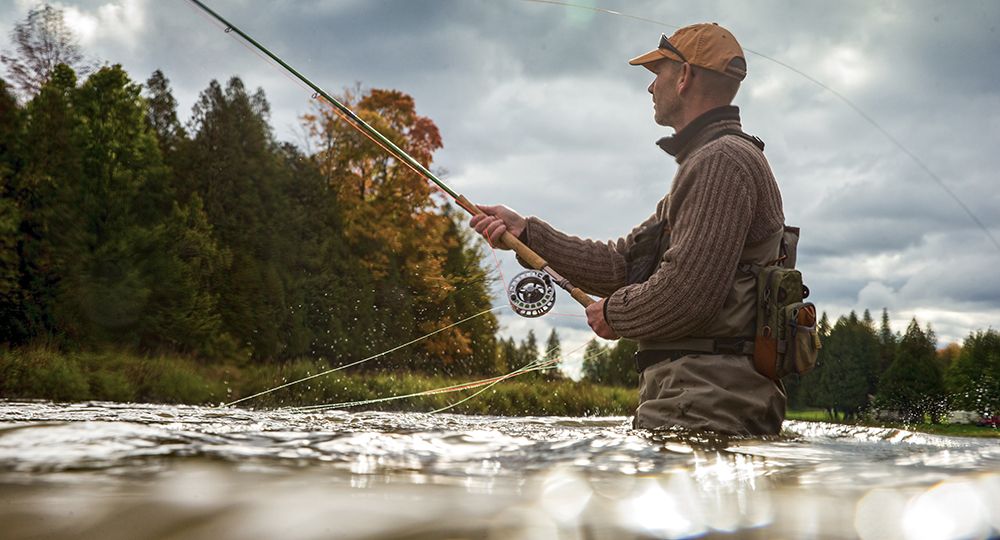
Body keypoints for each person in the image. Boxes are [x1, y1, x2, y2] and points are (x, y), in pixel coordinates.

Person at [470, 23, 787, 436]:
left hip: (705, 406)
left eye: (658, 73)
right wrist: (528, 232)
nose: (651, 88)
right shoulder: (710, 162)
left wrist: (615, 313)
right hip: (696, 401)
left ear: (685, 77)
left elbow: (689, 293)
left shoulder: (721, 162)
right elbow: (625, 265)